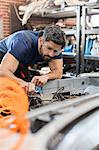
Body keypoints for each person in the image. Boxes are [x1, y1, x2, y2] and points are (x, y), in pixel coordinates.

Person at [0, 25, 66, 93]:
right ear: (41, 41)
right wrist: (21, 82)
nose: (51, 54)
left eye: (55, 51)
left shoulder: (56, 48)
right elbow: (2, 71)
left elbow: (58, 72)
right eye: (49, 48)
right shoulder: (23, 42)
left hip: (21, 62)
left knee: (29, 88)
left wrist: (46, 76)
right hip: (3, 57)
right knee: (9, 88)